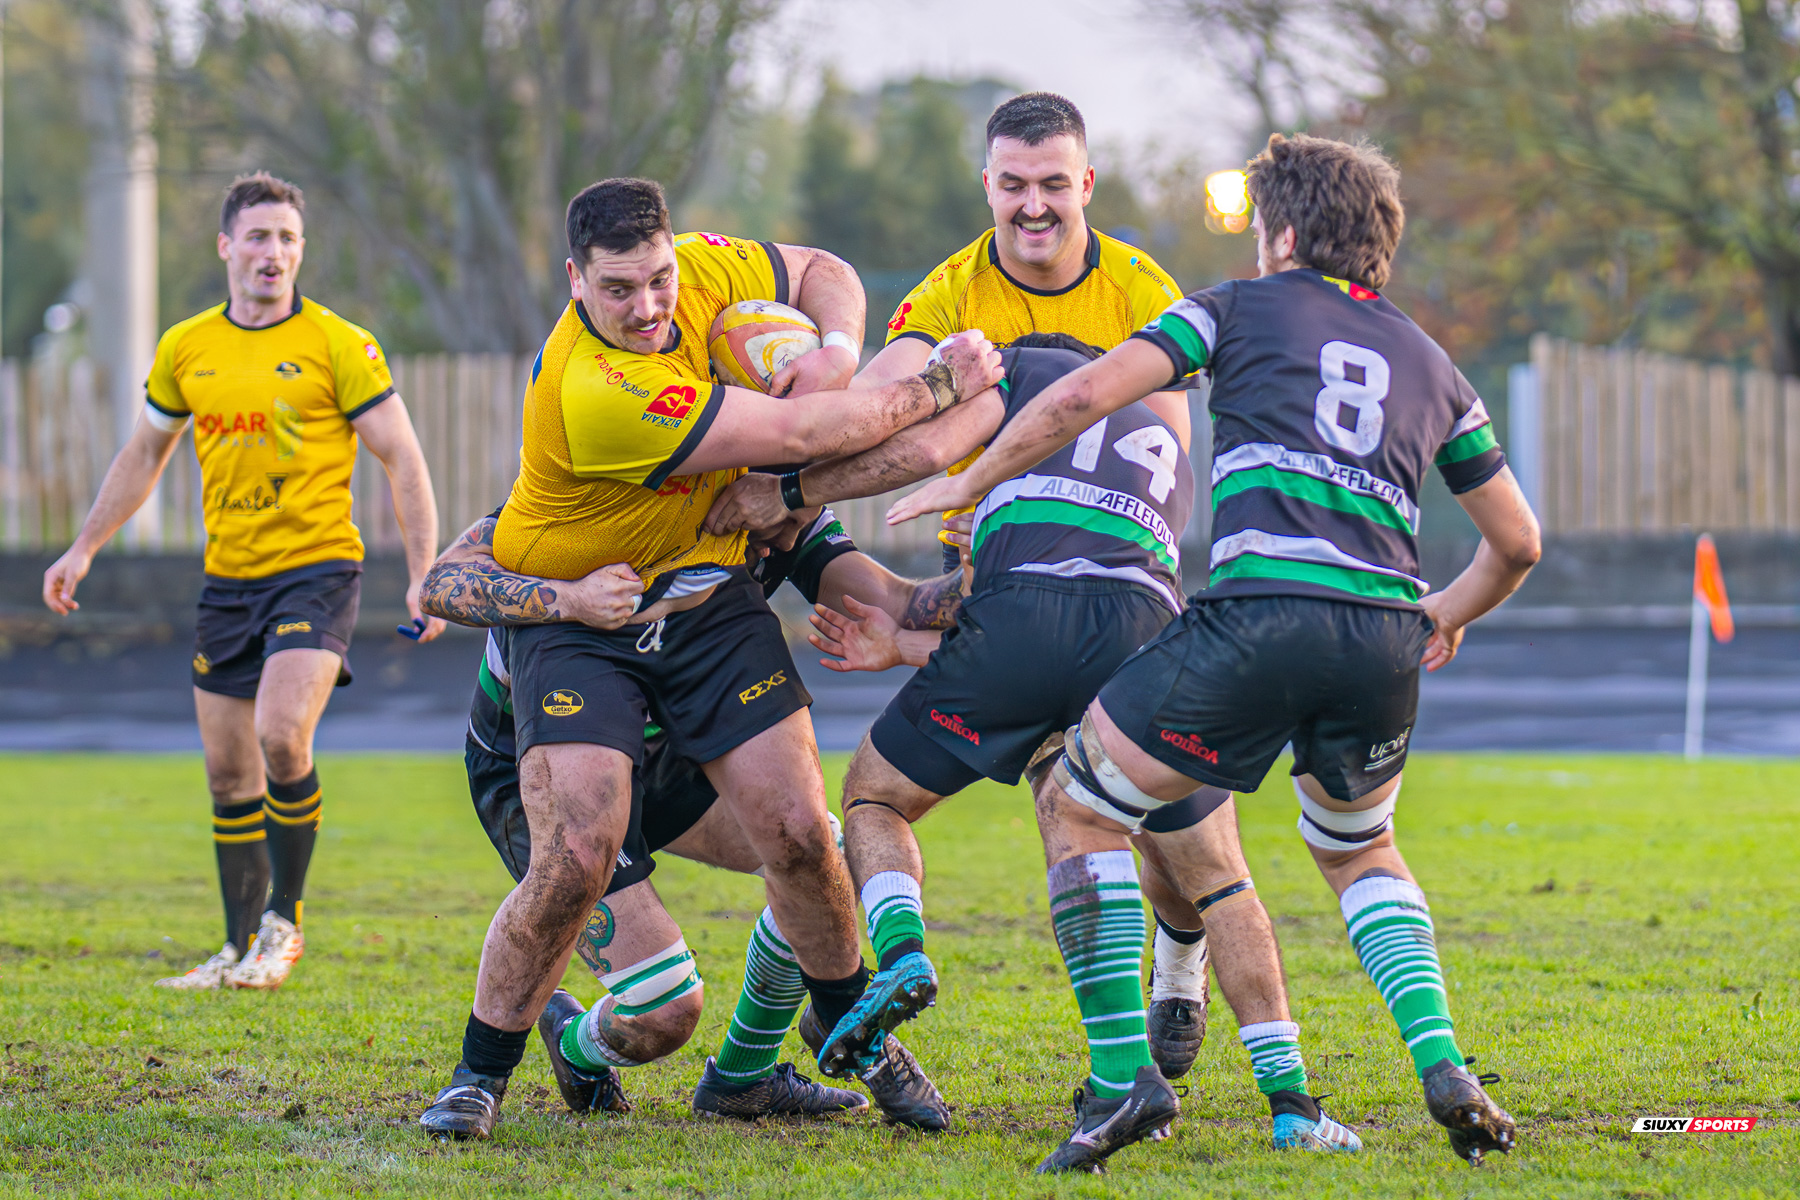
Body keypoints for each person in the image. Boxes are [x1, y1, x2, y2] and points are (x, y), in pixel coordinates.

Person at [890, 133, 1539, 1170]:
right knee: (1361, 850)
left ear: (1281, 233)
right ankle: (1443, 1062)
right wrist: (1441, 614)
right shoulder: (1434, 364)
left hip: (1257, 618)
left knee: (1082, 804)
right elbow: (1519, 543)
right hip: (1382, 640)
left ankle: (1121, 1080)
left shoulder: (1234, 307)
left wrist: (971, 479)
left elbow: (1083, 396)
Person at [419, 175, 1001, 1139]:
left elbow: (822, 274)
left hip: (694, 645)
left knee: (807, 838)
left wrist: (837, 355)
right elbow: (812, 432)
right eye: (618, 290)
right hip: (581, 652)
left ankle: (841, 1032)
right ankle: (487, 1072)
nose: (649, 308)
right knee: (642, 974)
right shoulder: (599, 395)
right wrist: (936, 385)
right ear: (575, 281)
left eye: (659, 281)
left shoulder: (755, 502)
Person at [810, 89, 1217, 1074]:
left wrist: (1009, 479)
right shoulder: (952, 290)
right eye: (1014, 184)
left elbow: (1169, 460)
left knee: (1163, 837)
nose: (1034, 205)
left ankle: (1179, 961)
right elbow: (875, 405)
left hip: (1116, 580)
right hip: (1001, 587)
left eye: (1053, 185)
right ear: (987, 184)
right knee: (1075, 810)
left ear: (1087, 184)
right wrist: (851, 404)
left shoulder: (1141, 288)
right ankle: (1121, 1065)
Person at [416, 507, 959, 1131]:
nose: (796, 523)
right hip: (538, 758)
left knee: (813, 849)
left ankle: (746, 1076)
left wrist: (996, 564)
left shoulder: (782, 510)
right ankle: (528, 1058)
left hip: (663, 752)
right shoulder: (597, 499)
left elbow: (896, 601)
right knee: (663, 1011)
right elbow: (442, 580)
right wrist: (568, 597)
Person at [41, 172, 444, 992]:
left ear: (301, 251)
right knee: (228, 774)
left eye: (288, 238)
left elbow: (402, 454)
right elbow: (144, 453)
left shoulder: (340, 343)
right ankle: (233, 949)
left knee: (281, 736)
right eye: (259, 236)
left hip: (316, 572)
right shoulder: (187, 346)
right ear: (226, 246)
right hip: (228, 582)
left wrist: (423, 571)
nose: (274, 252)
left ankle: (283, 927)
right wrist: (82, 548)